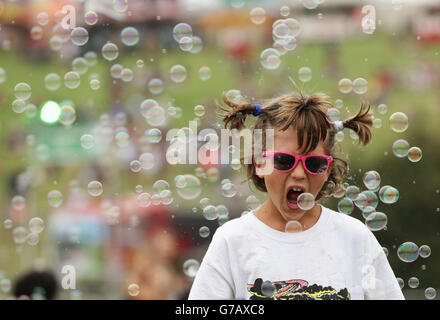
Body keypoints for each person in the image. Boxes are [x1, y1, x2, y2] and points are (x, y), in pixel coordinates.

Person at [188, 83, 404, 300]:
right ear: (260, 163)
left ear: (328, 170)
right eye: (284, 160)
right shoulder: (233, 241)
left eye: (315, 163)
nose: (299, 173)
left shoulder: (354, 238)